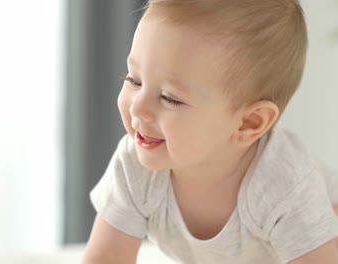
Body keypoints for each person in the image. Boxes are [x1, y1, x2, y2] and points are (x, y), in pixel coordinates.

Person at [82, 0, 338, 263]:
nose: (138, 108)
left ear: (248, 123)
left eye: (169, 98)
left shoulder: (284, 184)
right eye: (134, 80)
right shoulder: (135, 167)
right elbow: (106, 256)